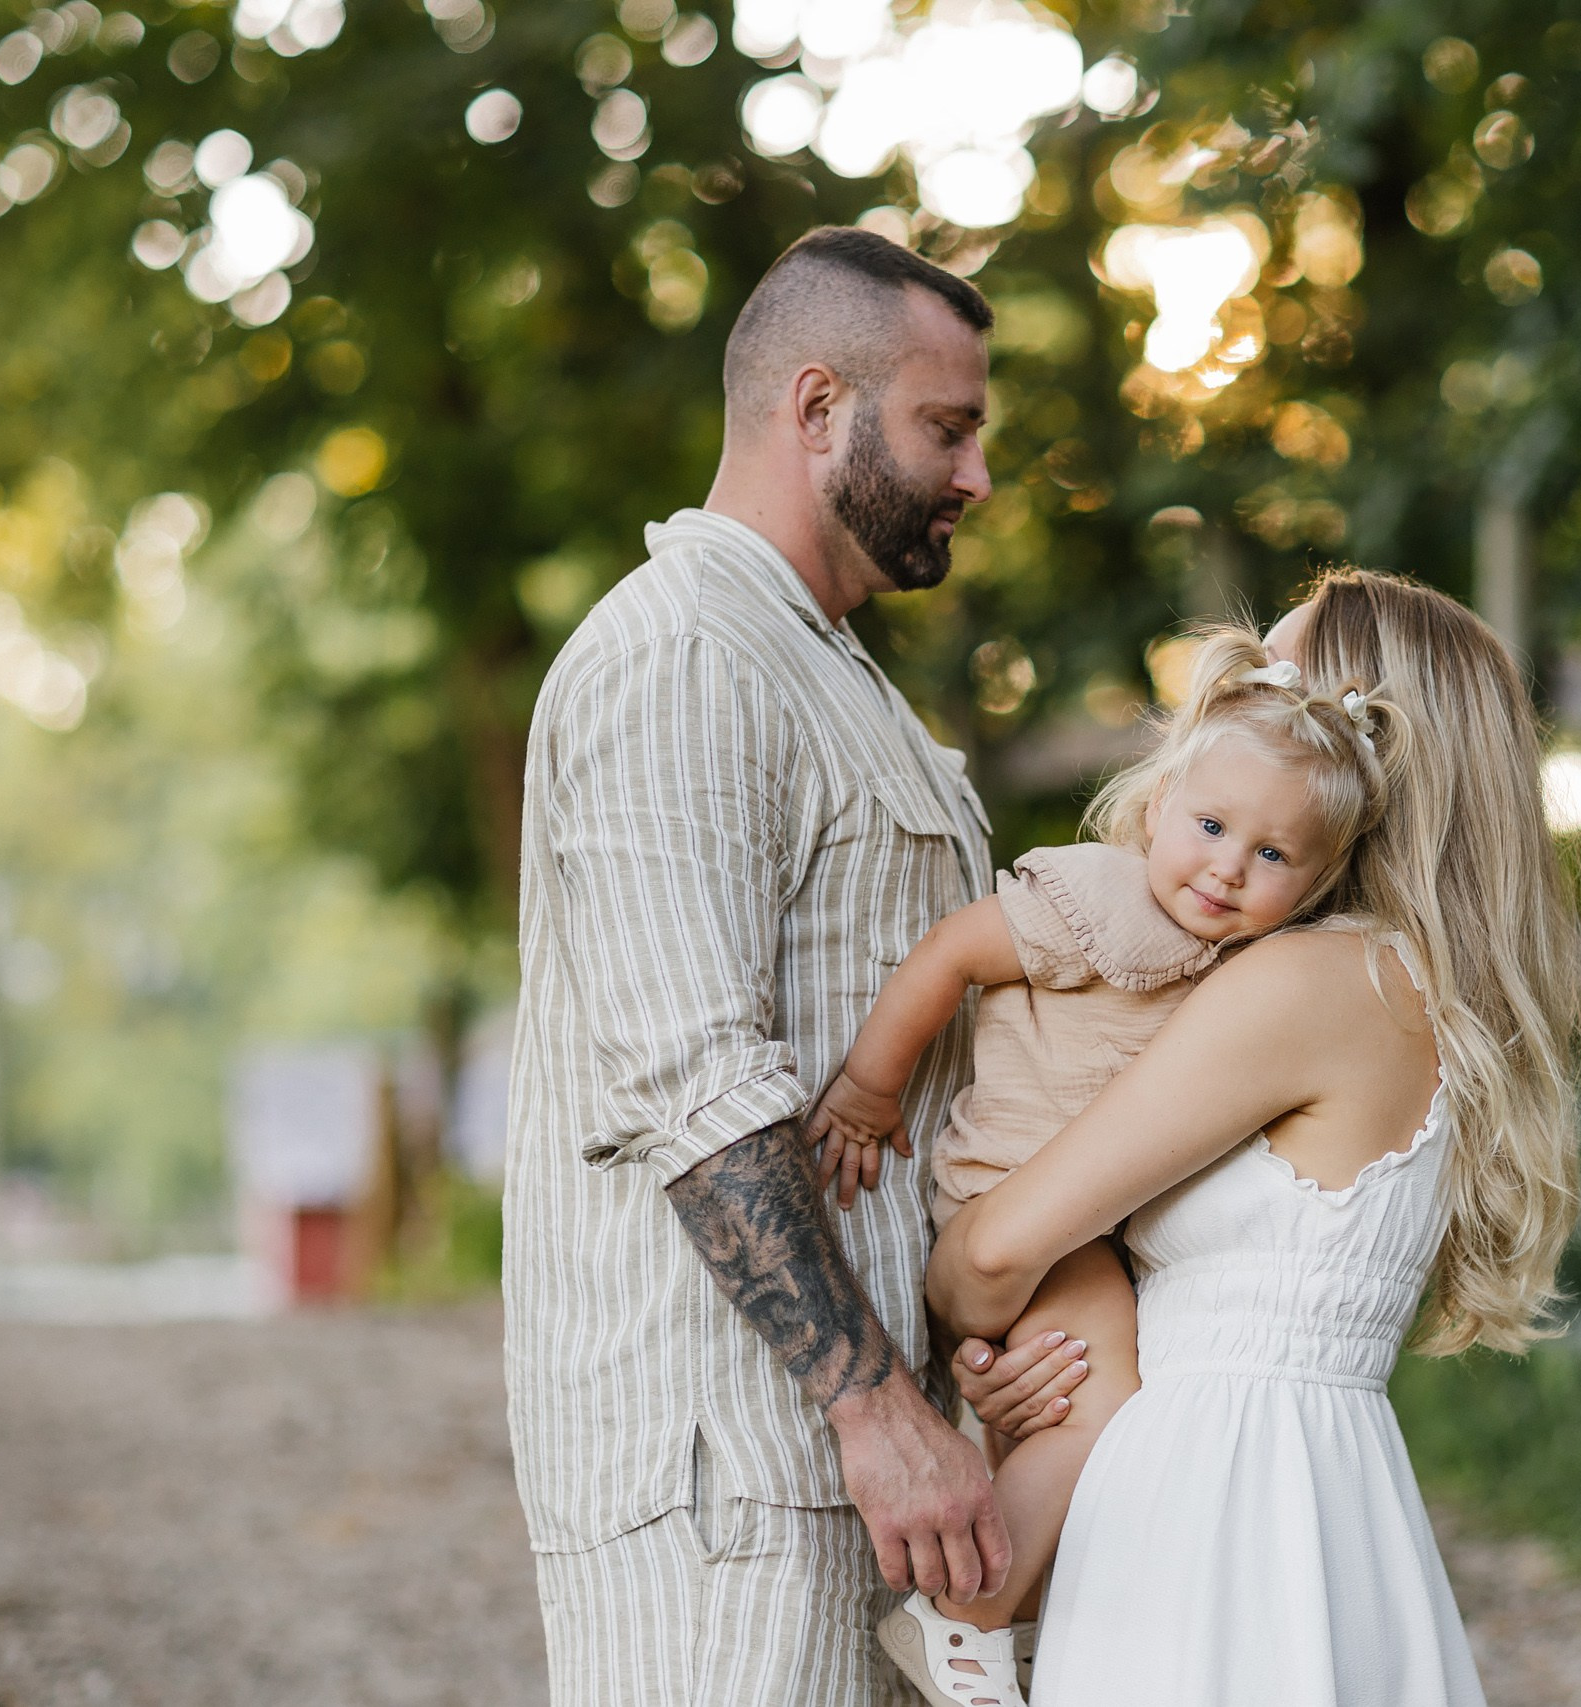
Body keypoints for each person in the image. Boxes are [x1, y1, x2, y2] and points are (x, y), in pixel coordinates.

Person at [503, 225, 1053, 1706]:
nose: (976, 475)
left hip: (854, 1464)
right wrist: (876, 1407)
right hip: (729, 1481)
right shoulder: (682, 657)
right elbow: (700, 1082)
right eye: (949, 426)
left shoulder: (830, 669)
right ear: (819, 410)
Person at [935, 568, 1581, 1705]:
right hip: (1330, 1495)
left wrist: (981, 1317)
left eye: (1274, 684)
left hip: (1208, 1500)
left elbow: (994, 1254)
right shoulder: (1423, 992)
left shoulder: (1305, 983)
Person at [802, 625, 1405, 1707]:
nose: (1225, 867)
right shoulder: (1105, 904)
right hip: (1018, 1197)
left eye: (1272, 856)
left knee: (1067, 1411)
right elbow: (951, 954)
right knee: (1107, 1400)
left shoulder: (1259, 972)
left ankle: (1013, 1612)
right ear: (1156, 805)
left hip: (1076, 1226)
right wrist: (867, 1087)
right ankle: (968, 1613)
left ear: (1317, 885)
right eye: (1211, 826)